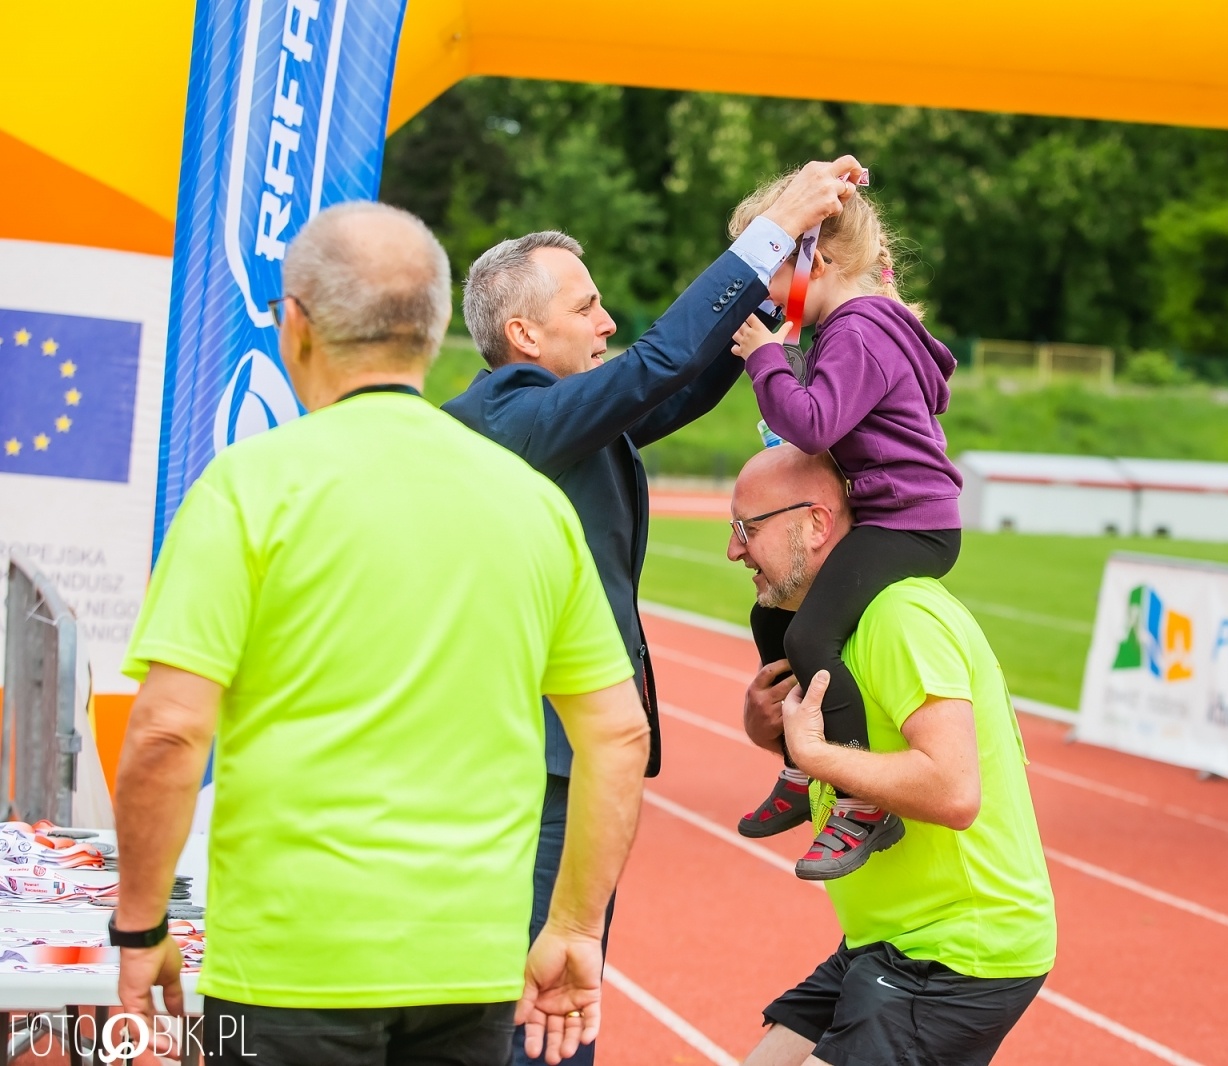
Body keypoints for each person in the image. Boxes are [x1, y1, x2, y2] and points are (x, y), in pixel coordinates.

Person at [113, 201, 650, 1066]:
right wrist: (577, 924)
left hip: (289, 964)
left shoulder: (249, 488)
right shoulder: (532, 503)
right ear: (435, 334)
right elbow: (618, 734)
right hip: (471, 961)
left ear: (297, 327)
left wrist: (139, 929)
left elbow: (169, 730)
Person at [443, 157, 865, 1064]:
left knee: (553, 995)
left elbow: (688, 378)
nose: (607, 322)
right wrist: (771, 226)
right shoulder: (511, 421)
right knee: (536, 1001)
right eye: (585, 306)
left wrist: (794, 269)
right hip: (534, 765)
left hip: (563, 760)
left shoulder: (561, 418)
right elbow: (662, 359)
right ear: (522, 332)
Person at [727, 445, 1055, 1066]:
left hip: (957, 950)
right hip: (886, 936)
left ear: (818, 523)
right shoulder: (830, 624)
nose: (735, 550)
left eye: (749, 528)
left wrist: (812, 756)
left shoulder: (900, 616)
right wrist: (766, 730)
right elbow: (856, 750)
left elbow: (953, 790)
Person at [726, 171, 965, 880]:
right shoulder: (855, 326)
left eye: (766, 268)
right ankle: (806, 769)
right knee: (773, 622)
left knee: (810, 633)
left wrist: (765, 356)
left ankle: (861, 794)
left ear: (816, 264)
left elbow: (812, 421)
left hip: (911, 524)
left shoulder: (857, 330)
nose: (758, 291)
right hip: (891, 513)